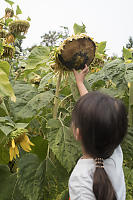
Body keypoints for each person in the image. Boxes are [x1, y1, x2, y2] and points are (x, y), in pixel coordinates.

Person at [68, 64, 128, 200]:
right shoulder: (114, 153)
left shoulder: (80, 180)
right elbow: (98, 117)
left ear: (78, 133)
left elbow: (95, 116)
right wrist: (80, 83)